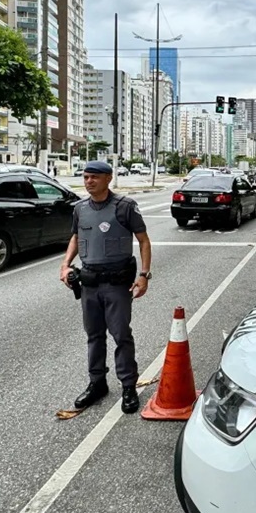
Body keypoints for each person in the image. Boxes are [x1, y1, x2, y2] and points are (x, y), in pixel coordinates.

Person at [59, 160, 153, 412]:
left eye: (94, 177)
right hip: (89, 282)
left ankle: (129, 386)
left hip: (116, 283)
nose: (89, 181)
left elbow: (143, 240)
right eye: (86, 177)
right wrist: (66, 264)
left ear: (108, 178)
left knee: (121, 335)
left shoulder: (125, 207)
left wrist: (143, 275)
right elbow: (76, 237)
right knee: (94, 336)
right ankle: (97, 383)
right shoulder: (79, 208)